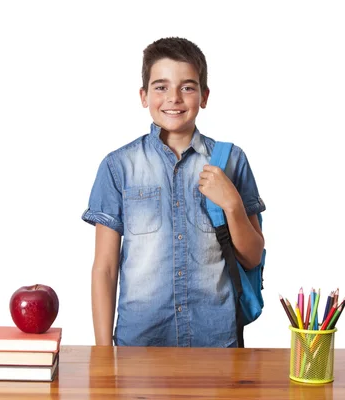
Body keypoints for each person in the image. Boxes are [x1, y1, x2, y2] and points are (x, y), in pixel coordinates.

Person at [82, 37, 265, 348]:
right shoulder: (118, 166)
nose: (174, 98)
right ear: (144, 95)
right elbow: (106, 268)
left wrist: (232, 204)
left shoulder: (232, 160)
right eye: (161, 87)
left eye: (188, 87)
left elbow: (252, 257)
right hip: (139, 346)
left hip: (216, 344)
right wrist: (102, 352)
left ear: (204, 96)